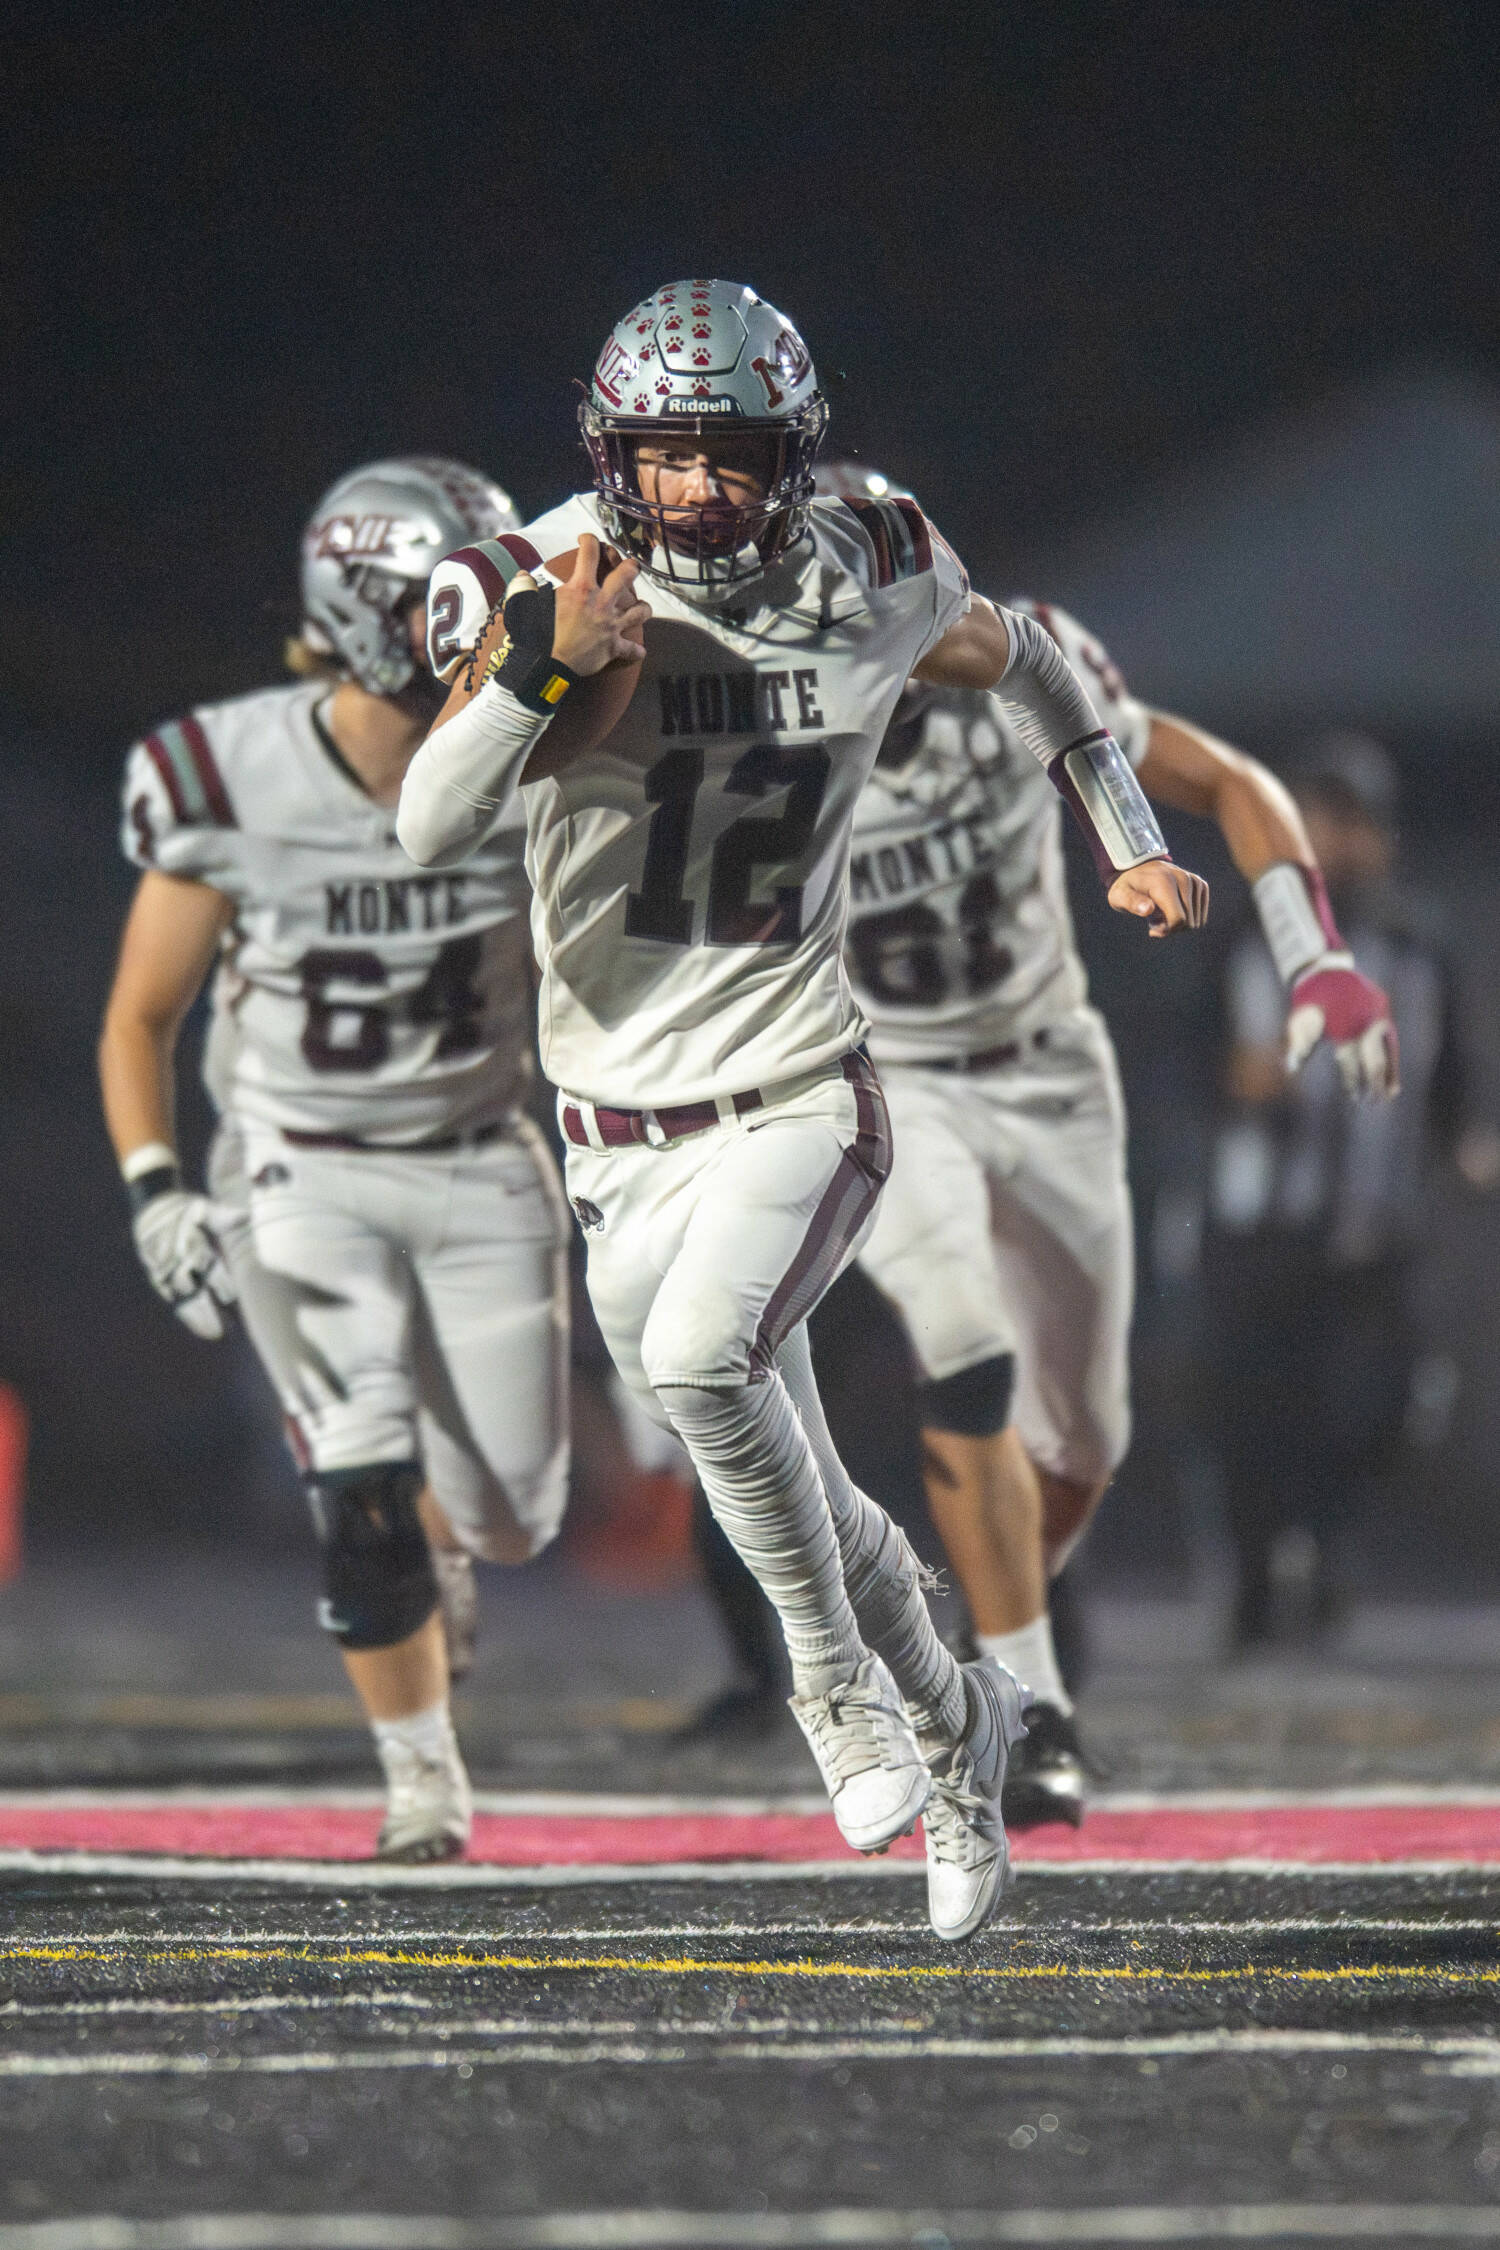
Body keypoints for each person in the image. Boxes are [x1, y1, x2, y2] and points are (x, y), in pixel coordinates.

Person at [396, 280, 1209, 1938]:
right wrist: (537, 679)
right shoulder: (544, 584)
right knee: (798, 1473)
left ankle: (834, 1688)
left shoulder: (872, 565)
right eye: (664, 457)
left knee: (707, 1364)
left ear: (796, 457)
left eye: (732, 456)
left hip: (798, 1088)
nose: (695, 490)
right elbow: (427, 825)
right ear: (610, 455)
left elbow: (1043, 664)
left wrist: (1123, 830)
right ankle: (964, 1725)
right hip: (612, 1133)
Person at [686, 460, 1400, 1826]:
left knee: (1087, 1442)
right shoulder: (738, 727)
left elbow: (1233, 783)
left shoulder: (1015, 665)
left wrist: (1317, 959)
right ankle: (1034, 1705)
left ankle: (963, 1642)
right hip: (890, 1081)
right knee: (965, 1348)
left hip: (1054, 1077)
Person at [99, 457, 570, 1862]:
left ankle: (444, 1540)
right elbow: (143, 1012)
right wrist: (155, 1185)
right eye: (468, 596)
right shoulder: (225, 770)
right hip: (296, 1169)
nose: (500, 620)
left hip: (484, 1158)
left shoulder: (537, 750)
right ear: (380, 611)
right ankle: (422, 1777)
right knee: (353, 1465)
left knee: (517, 1513)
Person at [1206, 732, 1491, 1644]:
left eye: (1348, 822)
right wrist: (1231, 1077)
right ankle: (1258, 1579)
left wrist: (1467, 1142)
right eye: (1314, 820)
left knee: (1378, 1406)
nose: (1330, 841)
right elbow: (1176, 1054)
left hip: (1373, 1226)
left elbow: (1451, 1078)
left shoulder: (1415, 947)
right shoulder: (1241, 934)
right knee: (1252, 1410)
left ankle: (1322, 1547)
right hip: (1258, 1224)